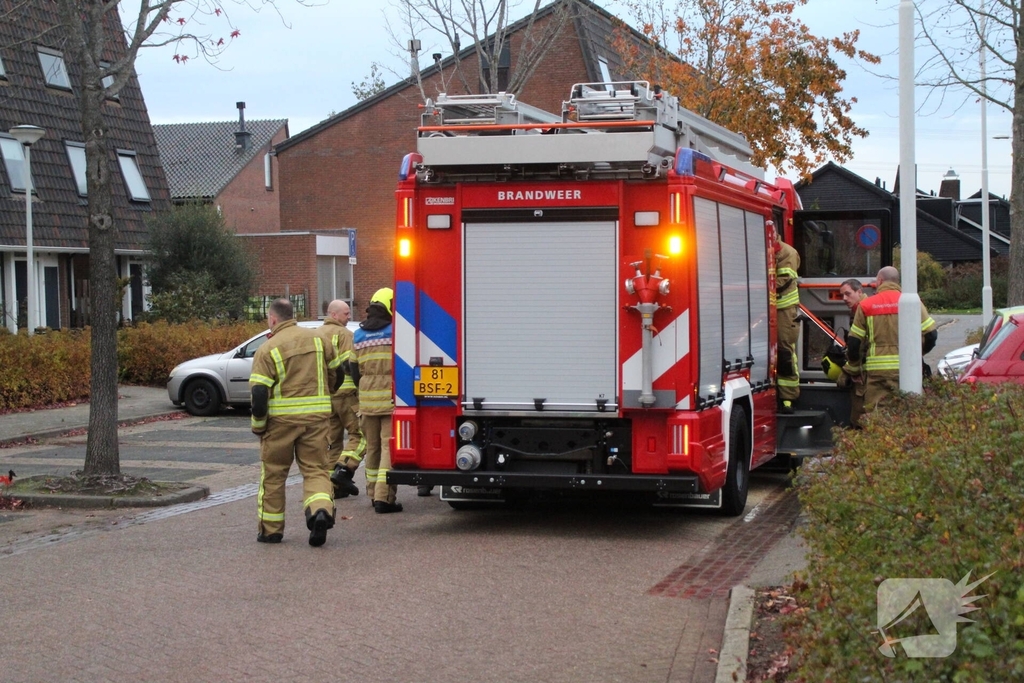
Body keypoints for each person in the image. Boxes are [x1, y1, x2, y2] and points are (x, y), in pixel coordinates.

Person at [249, 298, 340, 546]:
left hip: (280, 424)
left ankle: (271, 531)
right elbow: (338, 373)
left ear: (273, 319)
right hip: (317, 420)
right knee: (316, 470)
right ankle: (320, 510)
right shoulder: (319, 340)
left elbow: (259, 394)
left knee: (274, 475)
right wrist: (326, 395)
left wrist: (258, 425)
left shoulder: (267, 349)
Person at [846, 267, 938, 417]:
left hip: (877, 374)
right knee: (907, 414)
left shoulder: (866, 306)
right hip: (906, 370)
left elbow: (854, 343)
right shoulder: (913, 303)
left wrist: (854, 368)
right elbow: (931, 335)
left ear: (880, 281)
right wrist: (917, 354)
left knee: (875, 416)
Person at [351, 287, 403, 514]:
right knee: (388, 448)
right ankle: (384, 498)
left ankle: (372, 494)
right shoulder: (395, 331)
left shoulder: (358, 334)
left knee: (371, 448)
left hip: (367, 400)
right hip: (390, 400)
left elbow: (352, 370)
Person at [316, 300, 364, 499]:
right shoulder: (344, 335)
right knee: (361, 435)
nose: (349, 316)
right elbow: (349, 365)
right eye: (346, 313)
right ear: (334, 315)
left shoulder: (316, 334)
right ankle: (344, 469)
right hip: (346, 395)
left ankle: (332, 489)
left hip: (326, 397)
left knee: (332, 443)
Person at [772, 221, 801, 413]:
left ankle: (787, 399)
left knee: (784, 351)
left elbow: (783, 281)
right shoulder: (764, 251)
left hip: (784, 310)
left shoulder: (787, 253)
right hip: (766, 309)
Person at [837, 279, 868, 427]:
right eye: (842, 295)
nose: (844, 299)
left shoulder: (864, 310)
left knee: (859, 416)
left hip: (865, 373)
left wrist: (849, 370)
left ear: (859, 292)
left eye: (848, 294)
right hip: (865, 370)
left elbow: (859, 346)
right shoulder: (858, 310)